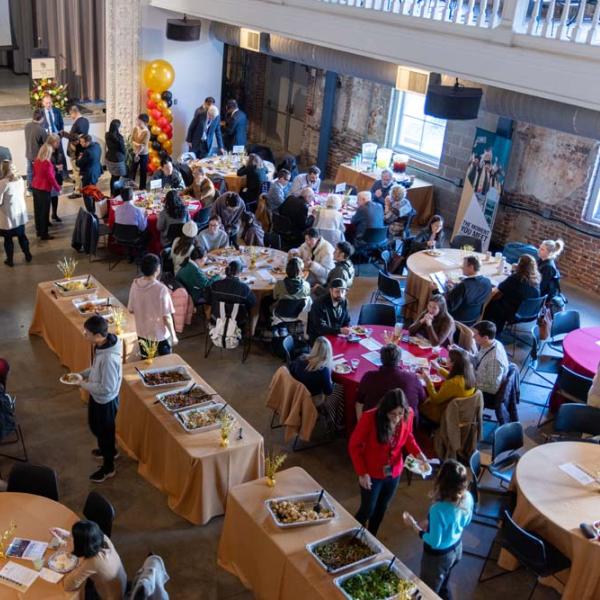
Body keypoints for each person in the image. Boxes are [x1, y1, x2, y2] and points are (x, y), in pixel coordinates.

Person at [349, 388, 427, 536]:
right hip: (371, 472)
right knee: (367, 509)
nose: (397, 418)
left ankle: (371, 537)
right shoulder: (370, 417)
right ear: (384, 411)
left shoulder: (408, 414)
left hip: (394, 471)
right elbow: (354, 445)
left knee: (382, 508)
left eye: (400, 414)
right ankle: (353, 537)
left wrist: (418, 453)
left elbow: (408, 436)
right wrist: (362, 473)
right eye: (392, 414)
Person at [403, 460, 473, 599]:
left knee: (428, 591)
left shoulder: (437, 509)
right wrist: (431, 522)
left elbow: (435, 542)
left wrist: (414, 526)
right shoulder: (468, 498)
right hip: (456, 549)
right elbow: (466, 521)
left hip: (438, 558)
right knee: (443, 585)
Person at [74, 315, 122, 482]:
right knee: (97, 428)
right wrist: (82, 374)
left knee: (104, 433)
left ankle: (108, 468)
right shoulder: (103, 345)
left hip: (105, 401)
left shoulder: (109, 358)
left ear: (98, 335)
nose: (84, 334)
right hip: (98, 397)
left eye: (87, 333)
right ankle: (110, 451)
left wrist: (82, 384)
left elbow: (107, 387)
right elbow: (96, 367)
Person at [355, 344, 425, 420]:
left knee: (359, 404)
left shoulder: (369, 377)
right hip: (404, 425)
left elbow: (359, 400)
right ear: (399, 360)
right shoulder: (412, 378)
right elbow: (422, 399)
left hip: (375, 424)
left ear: (381, 359)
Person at [128, 253, 178, 357]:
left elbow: (131, 309)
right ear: (158, 269)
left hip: (142, 333)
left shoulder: (135, 284)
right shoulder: (161, 289)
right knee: (165, 364)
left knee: (146, 362)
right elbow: (167, 317)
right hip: (160, 335)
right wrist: (173, 336)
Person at [63, 520, 127, 598]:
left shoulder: (93, 561)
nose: (69, 539)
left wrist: (70, 550)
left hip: (110, 596)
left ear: (80, 544)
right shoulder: (102, 538)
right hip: (121, 585)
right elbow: (86, 540)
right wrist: (65, 534)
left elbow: (69, 585)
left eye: (72, 537)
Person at [483, 254, 542, 335]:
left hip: (514, 312)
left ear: (520, 266)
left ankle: (488, 330)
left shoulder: (516, 278)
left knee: (492, 302)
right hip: (529, 311)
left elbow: (500, 288)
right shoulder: (536, 278)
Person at [419, 348, 476, 424]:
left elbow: (436, 399)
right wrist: (438, 368)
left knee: (419, 399)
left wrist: (427, 381)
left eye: (448, 358)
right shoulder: (469, 375)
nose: (446, 359)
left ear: (453, 363)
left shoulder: (453, 383)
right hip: (459, 412)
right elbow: (453, 378)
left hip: (443, 413)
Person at [0, 160, 32, 267]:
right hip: (19, 213)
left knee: (8, 239)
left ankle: (10, 260)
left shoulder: (3, 183)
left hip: (8, 215)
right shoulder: (20, 179)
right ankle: (28, 255)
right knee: (22, 236)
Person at [446, 255, 493, 325]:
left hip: (458, 318)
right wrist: (456, 288)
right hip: (474, 317)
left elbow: (450, 306)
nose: (462, 267)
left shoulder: (464, 285)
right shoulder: (487, 282)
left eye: (464, 265)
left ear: (471, 267)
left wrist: (448, 291)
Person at [469, 320, 509, 401]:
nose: (473, 337)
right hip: (479, 377)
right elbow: (477, 359)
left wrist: (469, 383)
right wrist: (461, 352)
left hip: (485, 393)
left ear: (485, 338)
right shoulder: (490, 343)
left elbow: (492, 388)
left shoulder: (494, 360)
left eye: (476, 335)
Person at [31, 142, 60, 240]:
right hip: (44, 189)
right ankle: (44, 234)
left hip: (35, 187)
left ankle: (39, 231)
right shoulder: (47, 163)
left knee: (38, 211)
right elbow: (51, 178)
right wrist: (58, 188)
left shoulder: (37, 161)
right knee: (44, 212)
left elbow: (35, 174)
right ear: (48, 152)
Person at [307, 278, 351, 343]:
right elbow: (320, 327)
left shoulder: (344, 302)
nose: (340, 295)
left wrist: (346, 330)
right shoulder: (319, 304)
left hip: (336, 334)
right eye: (337, 291)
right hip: (320, 338)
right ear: (330, 290)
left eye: (342, 291)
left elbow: (346, 320)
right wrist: (339, 330)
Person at [64, 104, 89, 198]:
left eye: (70, 114)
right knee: (79, 170)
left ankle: (78, 191)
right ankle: (80, 187)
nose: (70, 117)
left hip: (75, 150)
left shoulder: (77, 123)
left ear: (74, 113)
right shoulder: (86, 121)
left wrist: (65, 134)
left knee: (76, 171)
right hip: (81, 149)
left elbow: (76, 138)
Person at [40, 94, 68, 174]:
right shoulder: (41, 113)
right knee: (49, 156)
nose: (48, 105)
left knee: (61, 155)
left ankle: (64, 175)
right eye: (46, 103)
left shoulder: (57, 111)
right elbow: (40, 126)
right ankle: (51, 173)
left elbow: (61, 123)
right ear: (43, 103)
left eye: (49, 103)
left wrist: (60, 133)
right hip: (48, 138)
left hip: (57, 137)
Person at [24, 109, 47, 189]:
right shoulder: (41, 130)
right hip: (37, 156)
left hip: (28, 153)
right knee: (37, 173)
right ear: (42, 118)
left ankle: (29, 189)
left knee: (29, 172)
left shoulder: (27, 125)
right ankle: (37, 188)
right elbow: (46, 144)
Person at [537, 238, 564, 303]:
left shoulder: (548, 267)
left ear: (550, 253)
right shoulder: (541, 260)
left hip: (539, 298)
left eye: (542, 249)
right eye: (539, 248)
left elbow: (540, 287)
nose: (538, 250)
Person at [45, 134, 64, 223]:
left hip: (57, 175)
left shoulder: (58, 150)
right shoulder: (46, 151)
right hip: (50, 177)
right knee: (48, 198)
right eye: (57, 142)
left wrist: (60, 167)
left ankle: (54, 214)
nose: (59, 144)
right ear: (52, 142)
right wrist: (56, 167)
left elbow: (61, 160)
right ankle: (47, 218)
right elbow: (45, 165)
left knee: (55, 197)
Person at [104, 119, 127, 197]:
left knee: (113, 177)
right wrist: (125, 155)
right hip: (117, 160)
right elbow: (123, 149)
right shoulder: (119, 138)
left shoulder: (107, 135)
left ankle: (112, 194)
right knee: (119, 178)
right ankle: (117, 194)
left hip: (109, 158)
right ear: (117, 127)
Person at [131, 113, 150, 191]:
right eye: (137, 120)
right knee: (133, 170)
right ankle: (131, 185)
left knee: (143, 171)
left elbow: (143, 145)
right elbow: (132, 140)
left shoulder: (147, 132)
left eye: (139, 120)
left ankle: (142, 188)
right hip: (135, 152)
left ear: (144, 122)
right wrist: (137, 146)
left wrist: (137, 153)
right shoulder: (135, 128)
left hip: (143, 154)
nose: (137, 122)